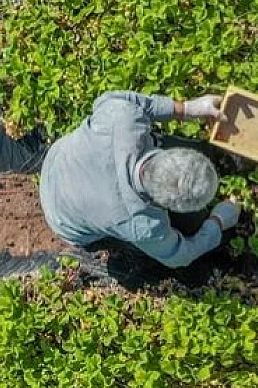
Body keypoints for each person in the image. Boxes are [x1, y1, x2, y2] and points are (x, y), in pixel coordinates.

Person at [38, 90, 243, 269]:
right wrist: (217, 222)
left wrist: (187, 108)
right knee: (193, 225)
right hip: (63, 220)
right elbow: (178, 256)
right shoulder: (142, 225)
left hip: (56, 160)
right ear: (168, 206)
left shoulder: (123, 118)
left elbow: (112, 98)